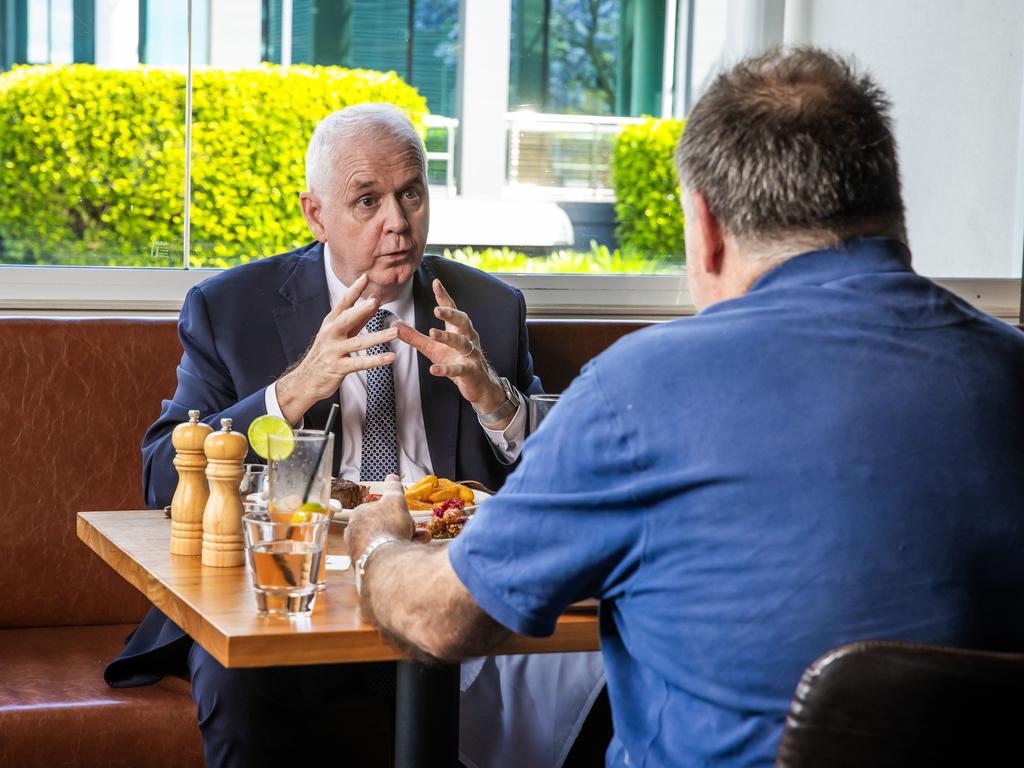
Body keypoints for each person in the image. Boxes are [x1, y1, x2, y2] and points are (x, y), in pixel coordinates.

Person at [343, 48, 1024, 767]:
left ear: (706, 225)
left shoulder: (640, 392)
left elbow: (439, 620)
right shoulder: (1011, 371)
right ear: (892, 211)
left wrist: (380, 542)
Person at [104, 104, 605, 768]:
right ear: (316, 215)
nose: (398, 222)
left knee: (605, 656)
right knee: (237, 681)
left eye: (412, 194)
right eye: (367, 201)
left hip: (444, 584)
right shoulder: (231, 309)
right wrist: (292, 392)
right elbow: (162, 476)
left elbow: (557, 484)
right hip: (291, 593)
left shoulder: (487, 307)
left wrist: (495, 399)